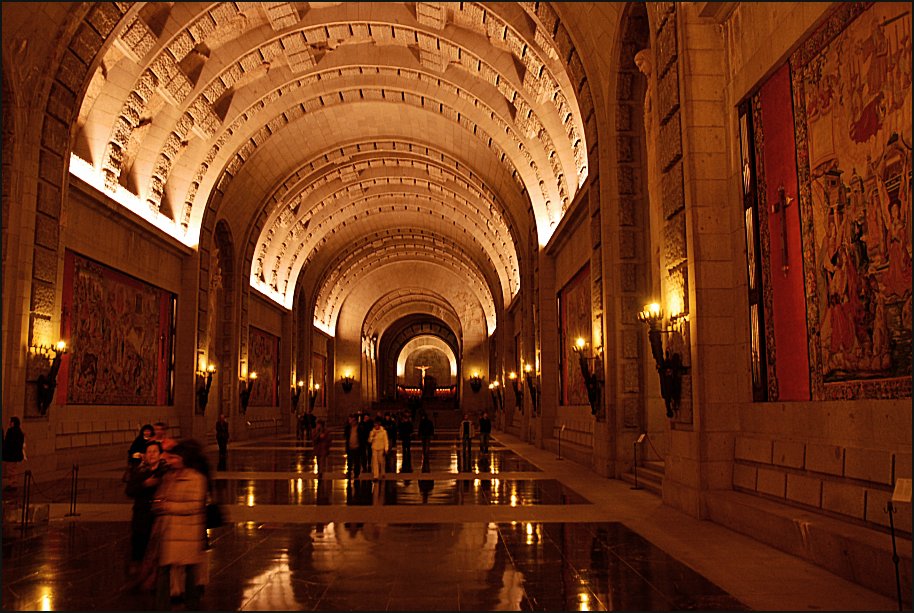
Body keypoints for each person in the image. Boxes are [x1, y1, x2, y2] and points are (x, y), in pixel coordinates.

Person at [150, 441, 209, 610]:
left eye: (174, 457)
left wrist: (167, 506)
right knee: (163, 571)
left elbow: (195, 505)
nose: (171, 460)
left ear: (184, 459)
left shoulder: (196, 479)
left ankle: (192, 604)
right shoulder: (169, 476)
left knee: (190, 572)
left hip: (187, 532)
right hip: (169, 532)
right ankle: (161, 606)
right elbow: (161, 496)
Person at [126, 440, 167, 581]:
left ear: (160, 454)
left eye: (155, 451)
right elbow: (129, 490)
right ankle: (138, 575)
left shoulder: (165, 472)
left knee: (157, 548)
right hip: (141, 515)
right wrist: (145, 484)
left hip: (158, 516)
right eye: (149, 452)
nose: (152, 454)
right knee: (139, 545)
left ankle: (154, 577)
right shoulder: (140, 471)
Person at [2, 417, 25, 491]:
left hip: (10, 455)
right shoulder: (19, 432)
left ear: (13, 423)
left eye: (11, 422)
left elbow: (8, 443)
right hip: (15, 455)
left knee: (11, 470)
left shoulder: (11, 431)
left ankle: (12, 484)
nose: (9, 423)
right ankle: (13, 484)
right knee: (13, 469)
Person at [343, 415, 361, 481]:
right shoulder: (348, 428)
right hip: (350, 447)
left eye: (353, 421)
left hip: (357, 447)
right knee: (349, 461)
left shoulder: (359, 428)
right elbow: (345, 435)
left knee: (357, 462)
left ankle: (356, 474)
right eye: (351, 421)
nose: (351, 422)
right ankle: (349, 472)